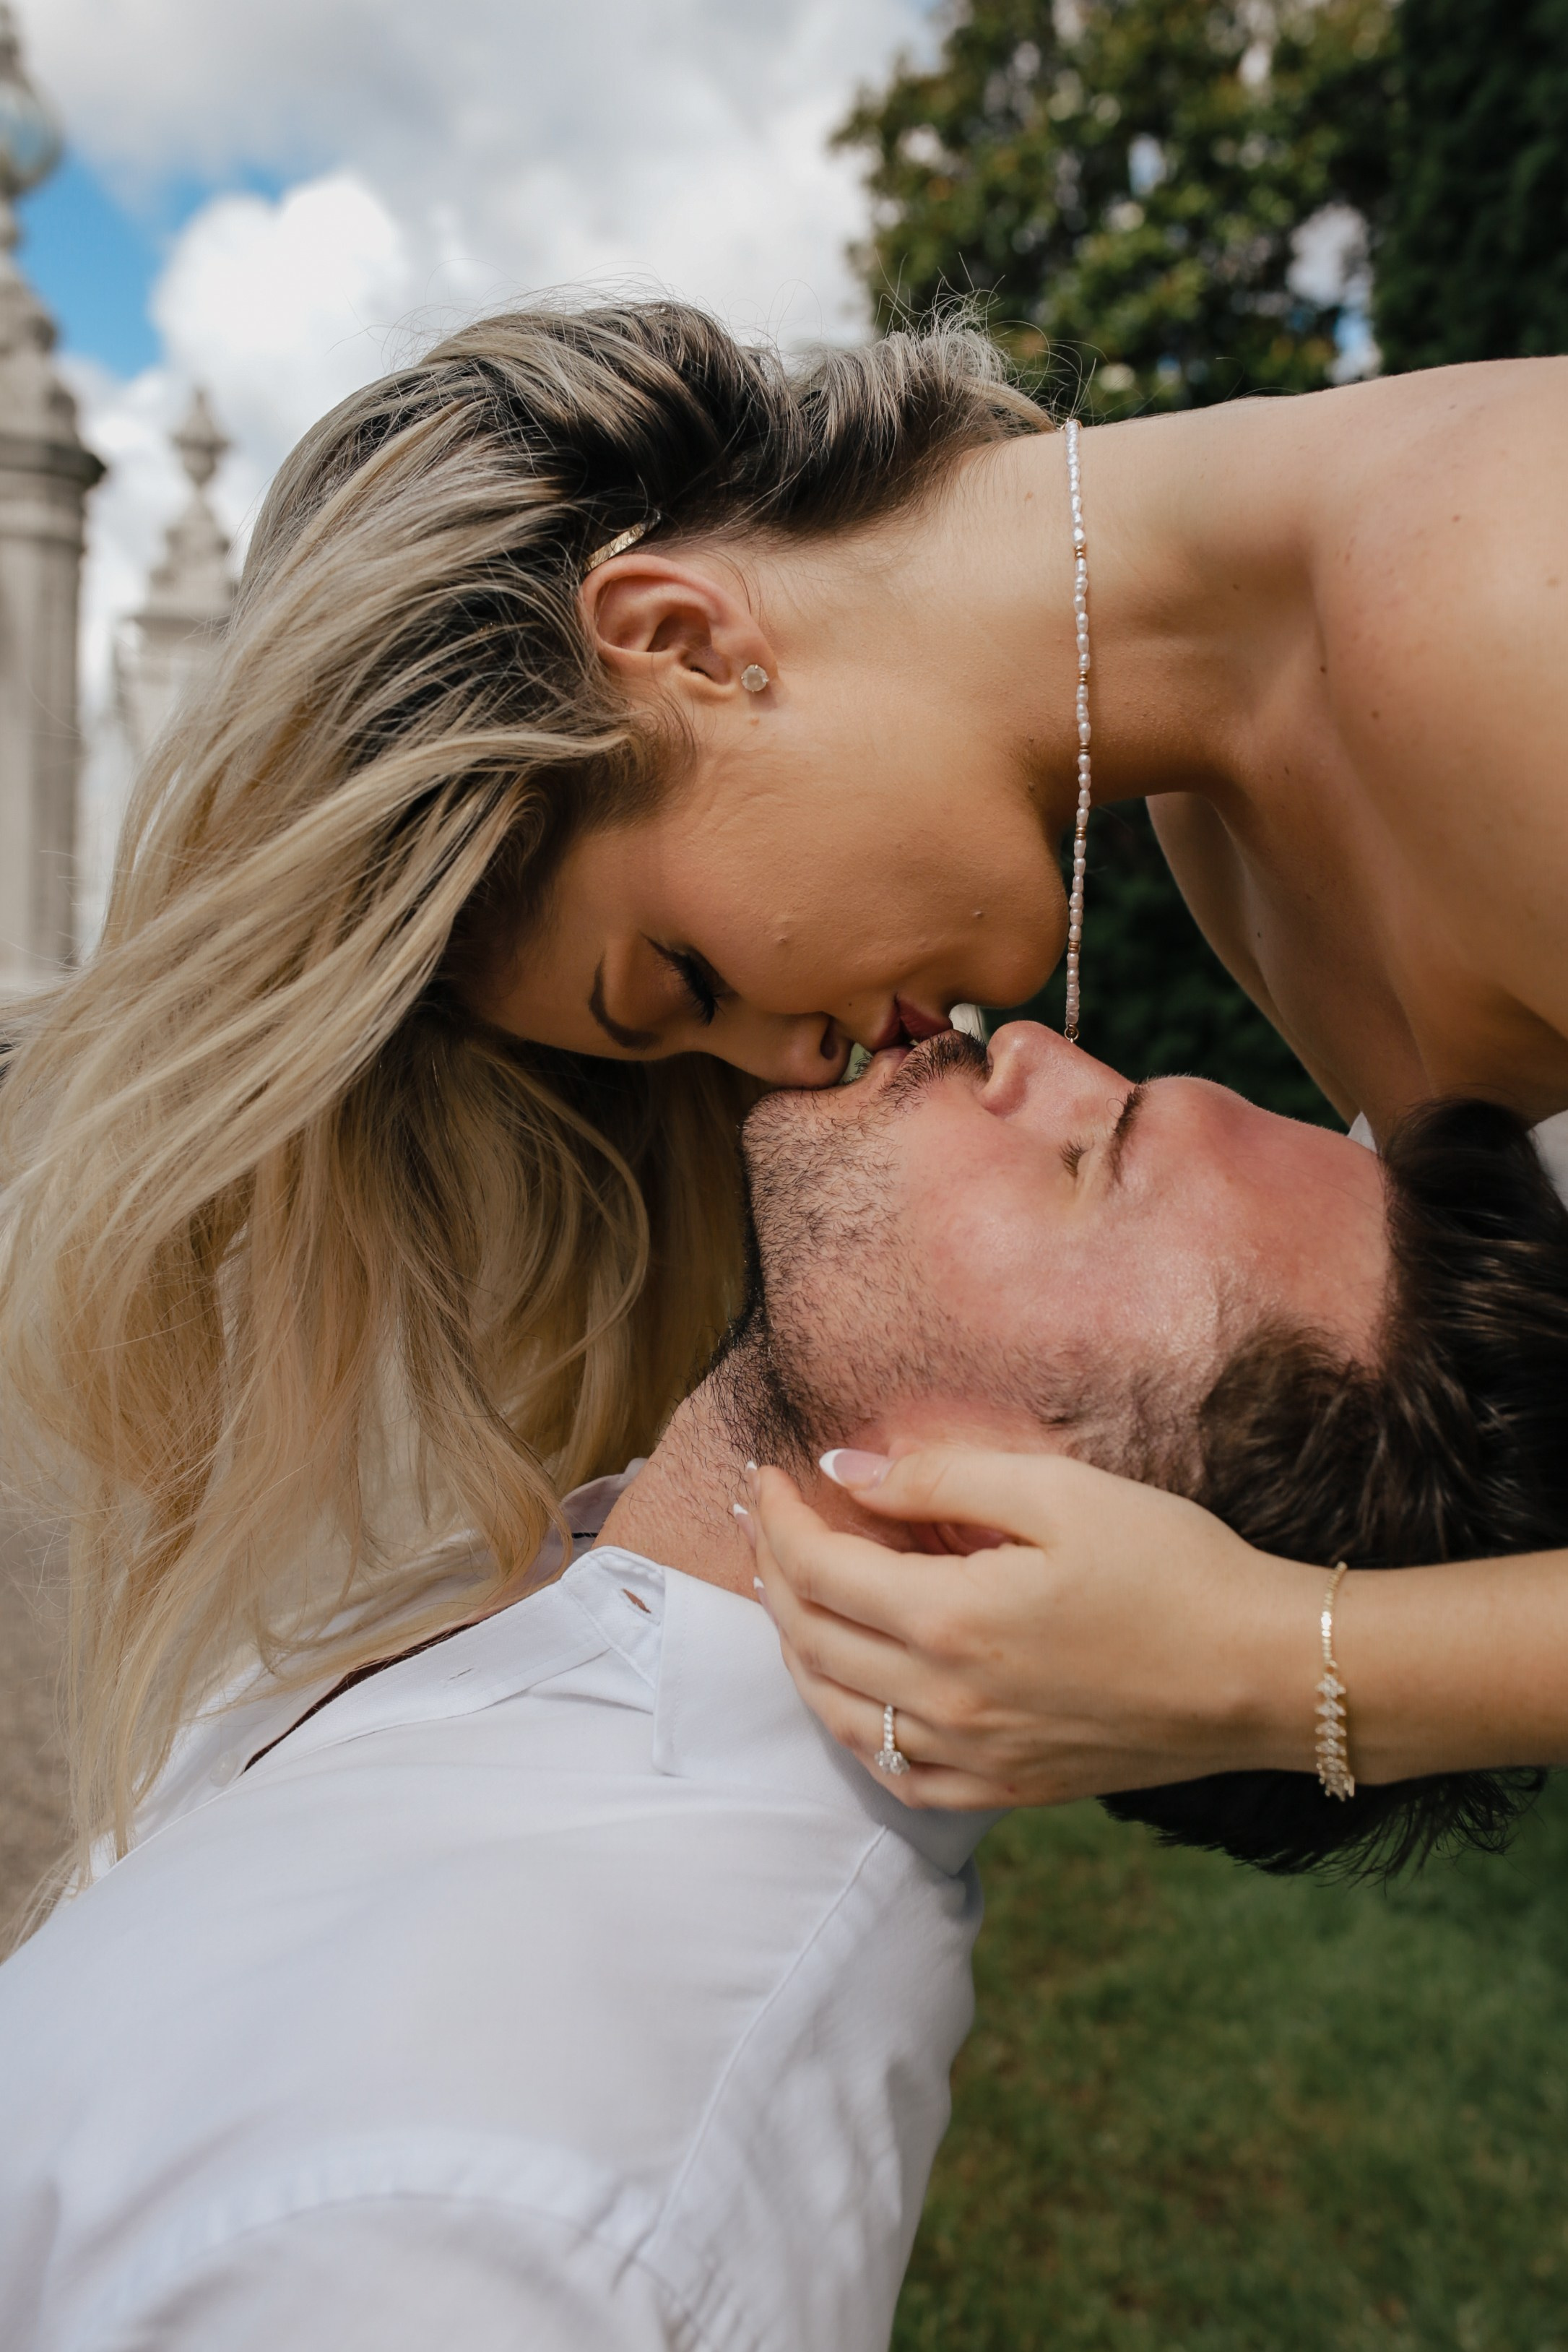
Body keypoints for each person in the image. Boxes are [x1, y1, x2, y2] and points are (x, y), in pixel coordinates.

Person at [2, 296, 1563, 1883]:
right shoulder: (1230, 810)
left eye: (685, 981)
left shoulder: (1504, 613)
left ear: (682, 641)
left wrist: (1273, 1670)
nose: (791, 1067)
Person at [2, 1020, 1560, 2351]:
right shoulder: (559, 1594)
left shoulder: (519, 2200)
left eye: (1094, 1156)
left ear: (1048, 1532)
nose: (1032, 1046)